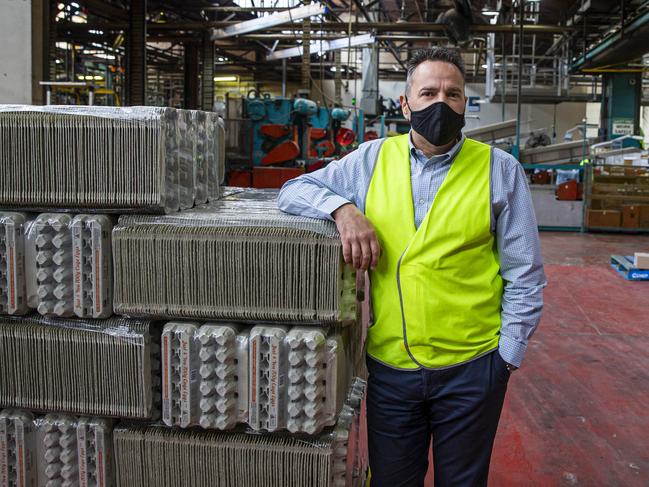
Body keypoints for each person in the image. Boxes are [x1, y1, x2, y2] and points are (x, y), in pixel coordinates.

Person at [278, 47, 546, 487]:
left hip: (473, 367)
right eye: (428, 92)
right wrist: (343, 209)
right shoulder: (369, 161)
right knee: (392, 480)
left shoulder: (500, 170)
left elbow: (525, 273)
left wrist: (507, 357)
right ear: (406, 104)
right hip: (392, 368)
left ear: (465, 104)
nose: (440, 103)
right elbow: (293, 190)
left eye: (453, 94)